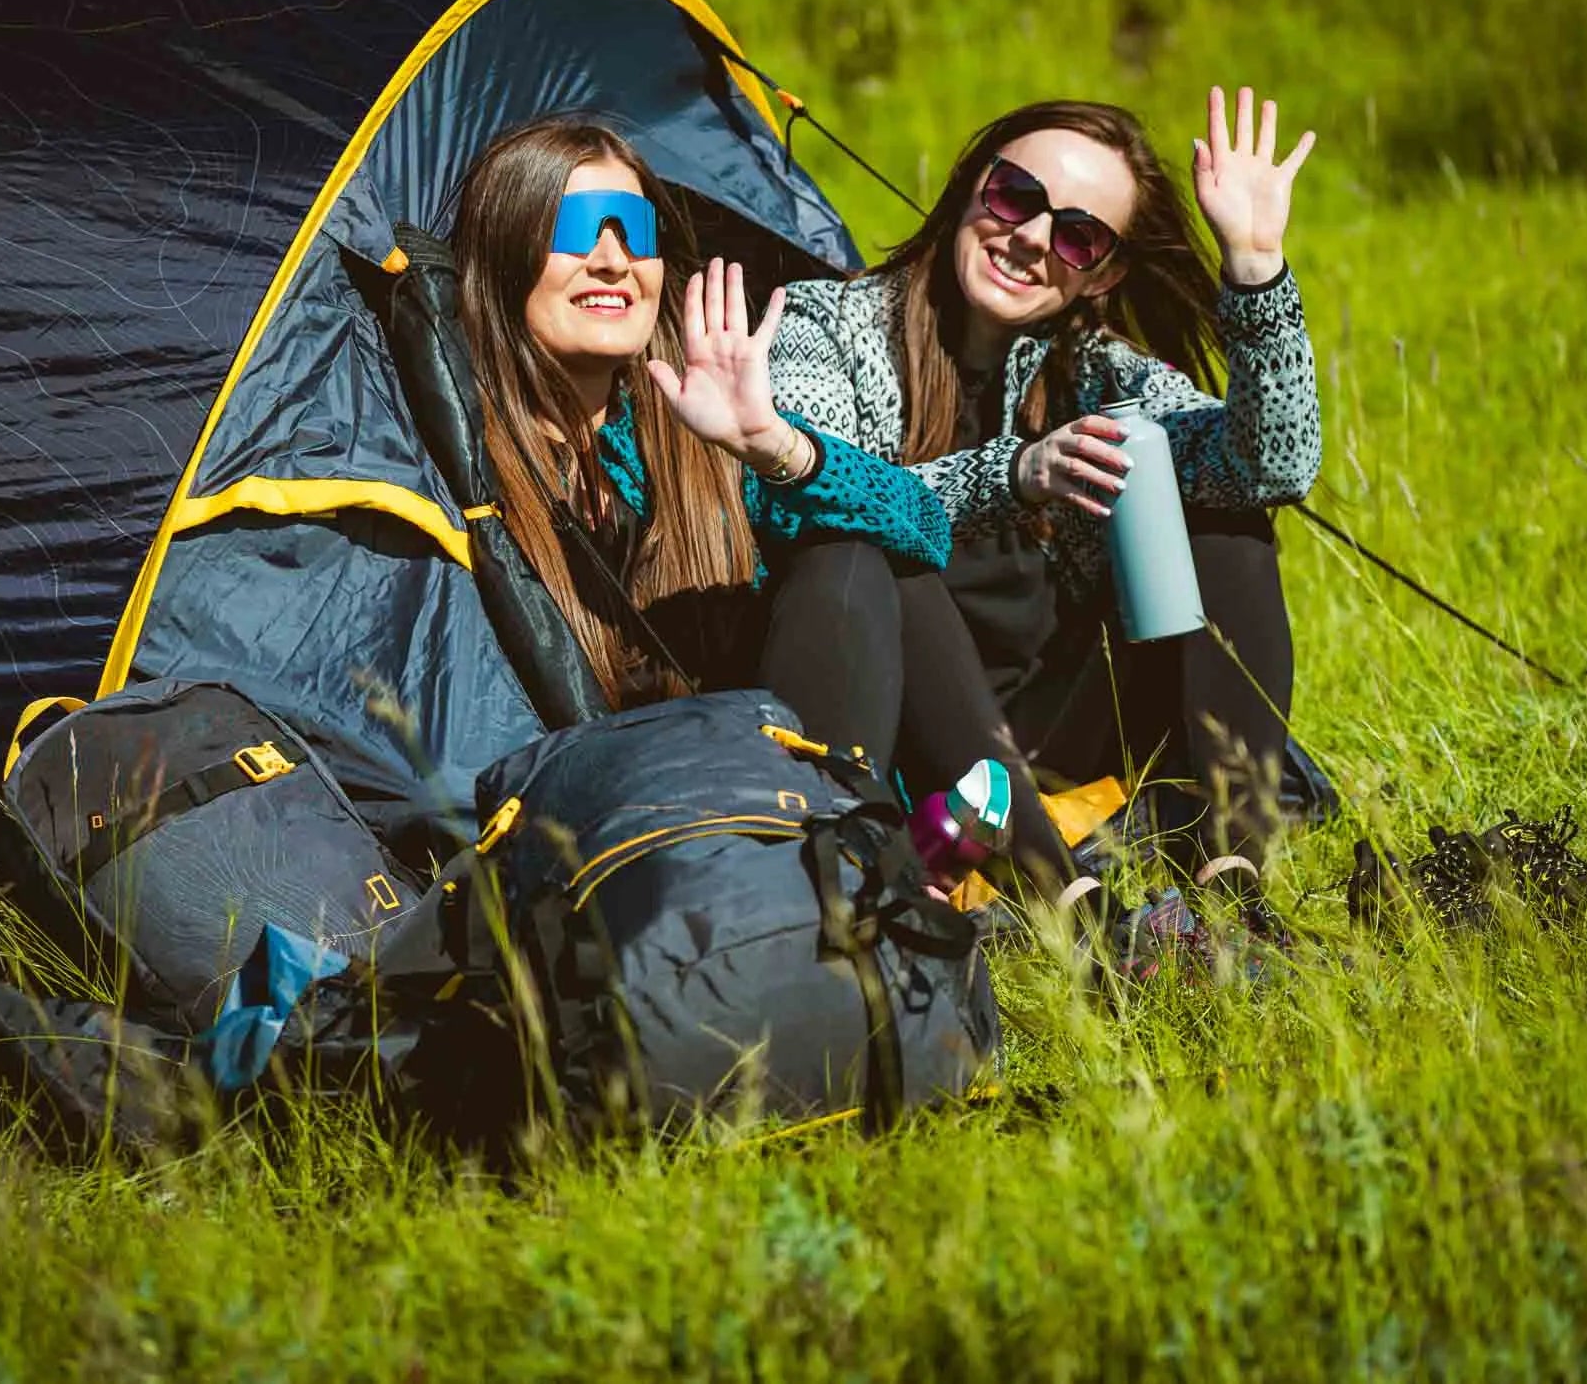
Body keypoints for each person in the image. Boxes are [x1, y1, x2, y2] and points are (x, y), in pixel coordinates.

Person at [769, 89, 1325, 936]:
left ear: (1100, 273)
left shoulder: (1098, 370)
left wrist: (1254, 267)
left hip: (1062, 723)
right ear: (971, 187)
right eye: (1015, 195)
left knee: (1229, 520)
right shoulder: (827, 324)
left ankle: (1229, 882)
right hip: (910, 741)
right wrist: (1016, 472)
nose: (1030, 238)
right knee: (879, 544)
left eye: (1077, 234)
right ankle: (1074, 906)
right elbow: (816, 484)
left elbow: (1271, 465)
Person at [449, 116, 1053, 861]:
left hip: (769, 793)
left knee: (857, 553)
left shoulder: (694, 427)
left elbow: (923, 525)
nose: (613, 260)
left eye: (635, 230)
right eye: (575, 228)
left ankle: (1055, 911)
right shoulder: (464, 457)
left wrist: (773, 447)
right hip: (616, 829)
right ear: (506, 251)